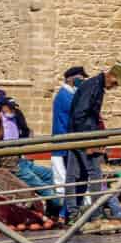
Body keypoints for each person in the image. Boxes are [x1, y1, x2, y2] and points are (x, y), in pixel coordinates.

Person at [64, 63, 121, 220]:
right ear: (111, 76)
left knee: (75, 174)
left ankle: (73, 213)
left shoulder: (94, 85)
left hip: (76, 134)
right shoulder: (94, 87)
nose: (114, 87)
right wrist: (89, 141)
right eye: (116, 83)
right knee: (94, 173)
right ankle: (96, 213)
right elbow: (81, 114)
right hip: (82, 136)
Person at [51, 66, 85, 210]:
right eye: (79, 77)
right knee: (64, 180)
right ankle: (65, 212)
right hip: (63, 143)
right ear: (70, 78)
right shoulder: (65, 96)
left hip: (66, 142)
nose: (82, 80)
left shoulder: (70, 94)